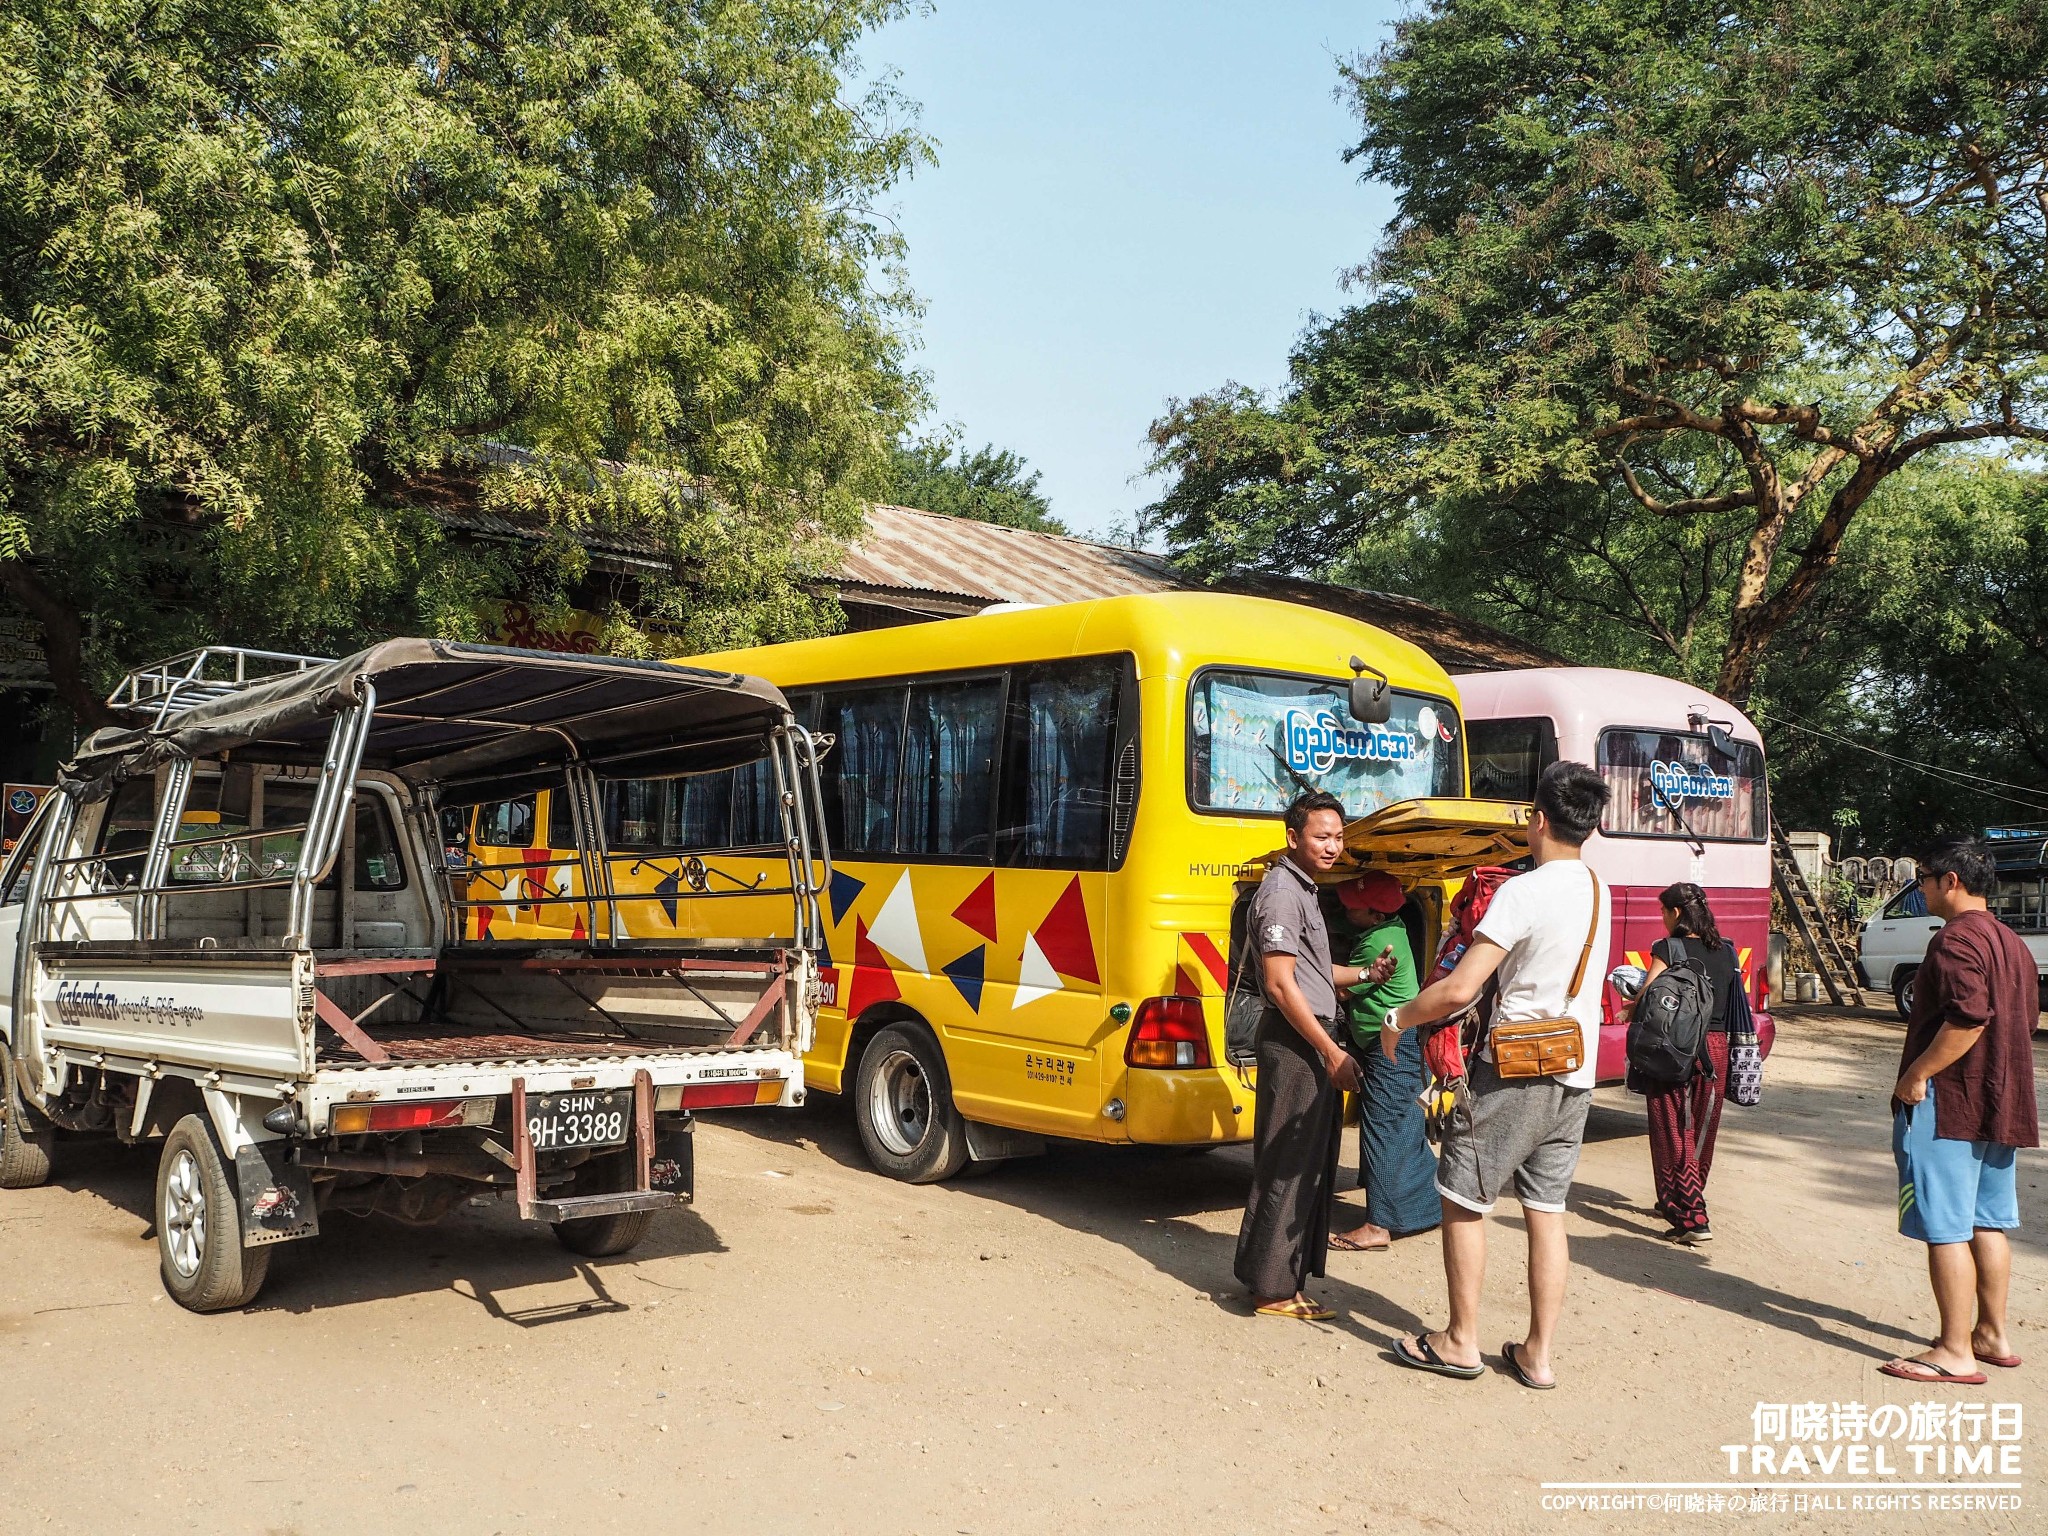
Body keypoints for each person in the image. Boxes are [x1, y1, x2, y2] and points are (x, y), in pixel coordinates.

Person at [1377, 761, 1612, 1388]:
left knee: (1461, 1200)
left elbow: (1458, 989)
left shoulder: (1523, 891)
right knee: (1547, 1210)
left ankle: (1459, 1340)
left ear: (1537, 819)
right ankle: (1536, 1354)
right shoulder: (1597, 888)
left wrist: (1399, 1017)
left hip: (1513, 1073)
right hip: (1576, 1072)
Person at [1881, 835, 2039, 1386]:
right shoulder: (2012, 943)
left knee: (1945, 1226)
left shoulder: (1954, 941)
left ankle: (1954, 1349)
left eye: (1924, 878)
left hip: (1949, 1102)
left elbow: (1969, 1019)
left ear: (1950, 881)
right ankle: (1991, 1333)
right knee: (1986, 1221)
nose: (1921, 888)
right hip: (2001, 1104)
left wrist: (1916, 1076)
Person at [1234, 790, 1379, 1321]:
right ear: (1292, 838)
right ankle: (1271, 1289)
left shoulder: (1303, 889)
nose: (1333, 846)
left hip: (1309, 1038)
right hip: (1298, 1044)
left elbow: (1313, 975)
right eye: (1321, 836)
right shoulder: (1280, 894)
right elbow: (1278, 983)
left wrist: (1365, 975)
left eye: (1338, 837)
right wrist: (1330, 1052)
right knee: (1287, 1164)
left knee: (1306, 1163)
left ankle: (1279, 1280)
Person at [1329, 871, 1437, 1251]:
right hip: (1398, 1039)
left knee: (1385, 1127)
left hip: (1390, 1041)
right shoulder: (1390, 928)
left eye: (1352, 908)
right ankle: (1423, 1209)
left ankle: (1379, 1225)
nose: (1344, 910)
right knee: (1403, 1122)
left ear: (1375, 915)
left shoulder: (1377, 942)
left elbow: (1339, 988)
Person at [1628, 882, 1738, 1245]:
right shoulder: (1728, 951)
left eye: (1663, 911)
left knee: (1673, 1130)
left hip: (1676, 1048)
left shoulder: (1669, 948)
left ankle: (1693, 1218)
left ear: (1675, 913)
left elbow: (1650, 993)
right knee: (1701, 1131)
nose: (1661, 918)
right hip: (1718, 1048)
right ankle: (1676, 1199)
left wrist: (1631, 1001)